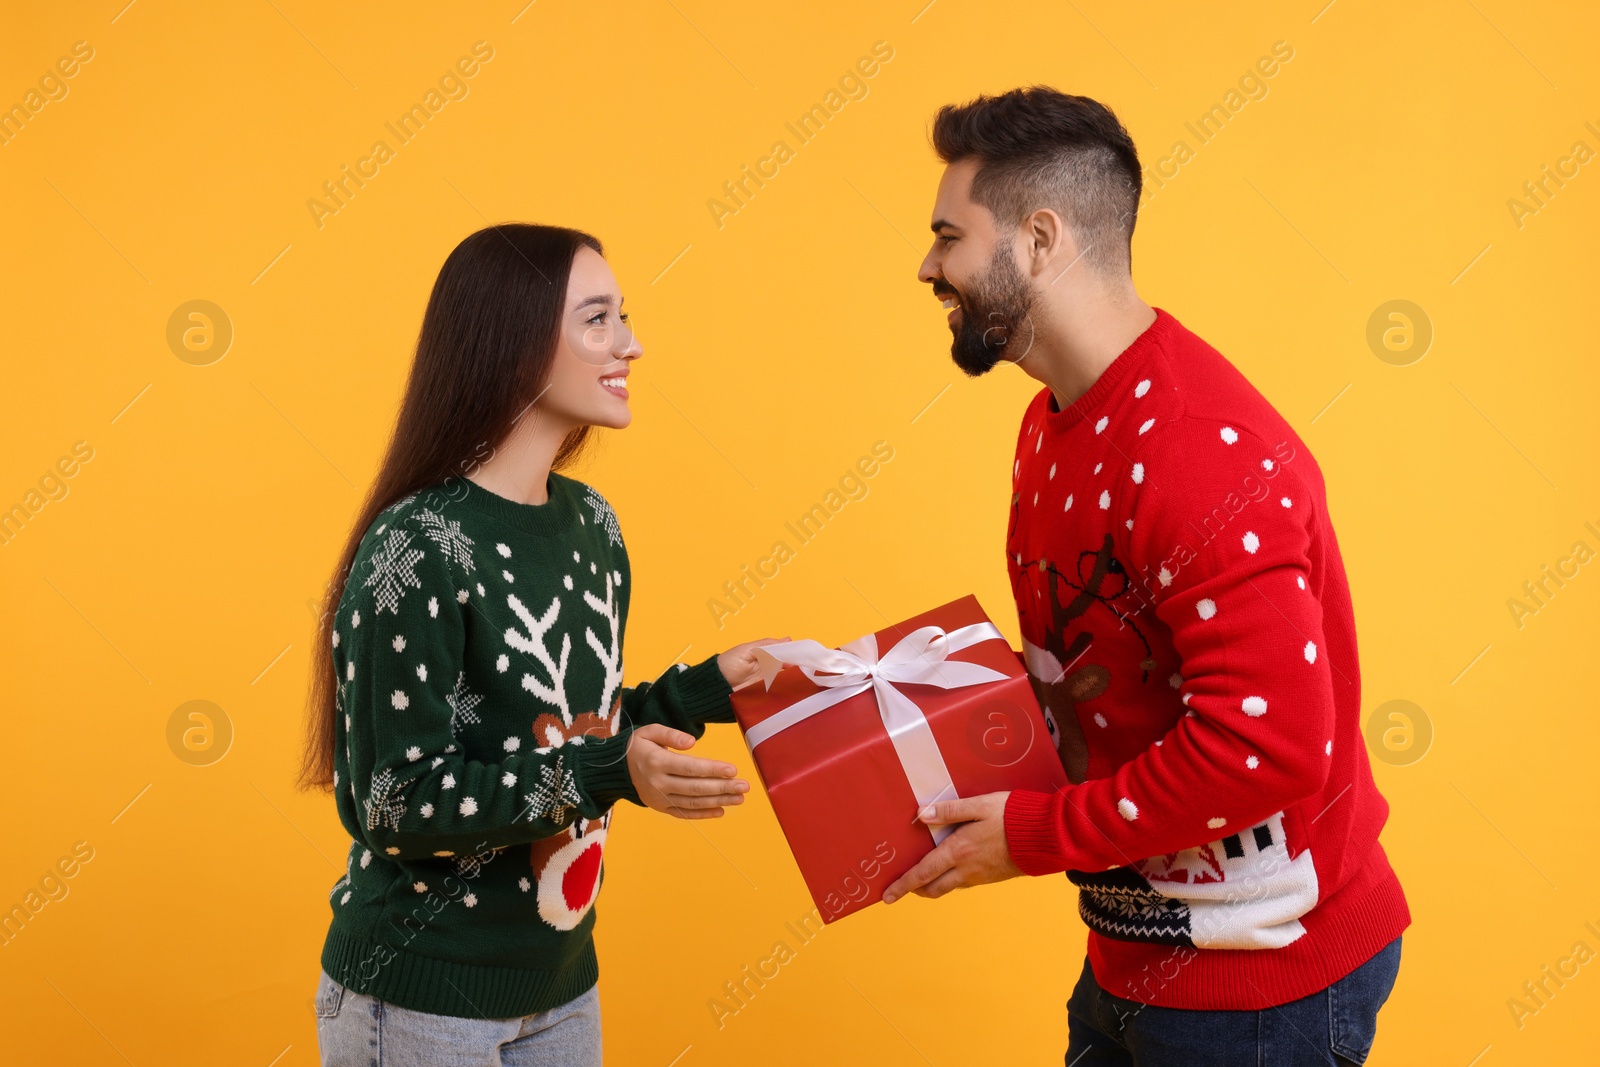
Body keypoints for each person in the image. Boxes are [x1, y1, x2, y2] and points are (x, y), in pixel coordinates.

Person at [882, 88, 1410, 1066]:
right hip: (1137, 947)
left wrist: (1035, 833)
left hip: (1263, 990)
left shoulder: (1201, 455)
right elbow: (1094, 670)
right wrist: (887, 704)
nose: (928, 266)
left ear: (1039, 240)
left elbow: (1266, 747)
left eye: (948, 235)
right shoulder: (1048, 427)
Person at [296, 223, 777, 1066]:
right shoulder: (416, 549)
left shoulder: (592, 524)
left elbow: (576, 727)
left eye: (622, 316)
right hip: (419, 998)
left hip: (559, 986)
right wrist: (609, 770)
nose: (631, 342)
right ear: (514, 342)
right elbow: (391, 801)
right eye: (598, 319)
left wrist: (707, 690)